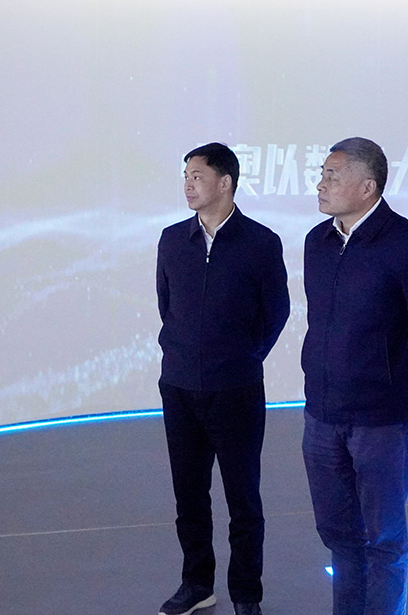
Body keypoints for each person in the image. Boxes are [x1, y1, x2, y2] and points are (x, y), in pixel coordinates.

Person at [301, 137, 408, 615]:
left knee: (383, 537)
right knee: (339, 534)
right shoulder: (317, 242)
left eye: (332, 176)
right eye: (322, 175)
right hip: (321, 416)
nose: (321, 184)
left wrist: (400, 388)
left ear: (368, 187)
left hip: (382, 422)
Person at [155, 142, 290, 615]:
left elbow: (276, 312)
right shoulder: (173, 239)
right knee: (189, 496)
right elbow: (167, 305)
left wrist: (242, 357)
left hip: (236, 389)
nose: (188, 185)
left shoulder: (261, 242)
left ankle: (246, 595)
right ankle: (196, 584)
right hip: (179, 387)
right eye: (185, 176)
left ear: (225, 182)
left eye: (197, 176)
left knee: (243, 500)